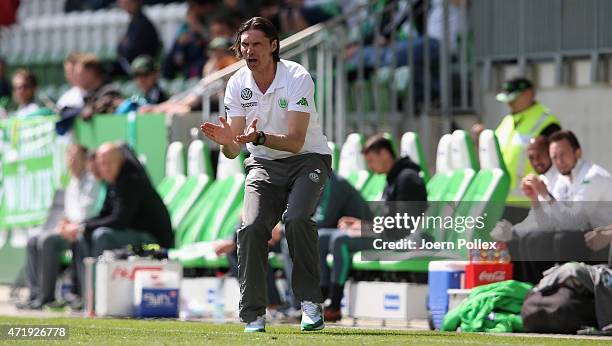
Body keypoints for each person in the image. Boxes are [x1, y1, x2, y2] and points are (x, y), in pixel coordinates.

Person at [200, 17, 332, 333]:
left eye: (256, 44)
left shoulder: (297, 76)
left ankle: (310, 304)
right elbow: (234, 149)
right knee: (250, 228)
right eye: (244, 45)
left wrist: (258, 138)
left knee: (297, 218)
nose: (249, 51)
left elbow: (296, 140)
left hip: (308, 160)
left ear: (273, 46)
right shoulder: (236, 83)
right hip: (263, 165)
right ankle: (254, 315)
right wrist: (226, 143)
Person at [321, 135, 427, 322]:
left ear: (384, 154)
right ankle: (317, 297)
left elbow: (401, 225)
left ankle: (334, 304)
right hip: (390, 235)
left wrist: (364, 227)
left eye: (371, 160)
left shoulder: (407, 179)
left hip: (405, 240)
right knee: (321, 237)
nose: (370, 166)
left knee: (340, 240)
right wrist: (362, 226)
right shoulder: (393, 178)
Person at [69, 142, 173, 295]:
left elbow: (119, 220)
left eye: (109, 163)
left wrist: (85, 227)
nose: (105, 168)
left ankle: (99, 293)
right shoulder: (114, 181)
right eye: (102, 164)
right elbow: (105, 214)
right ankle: (85, 294)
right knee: (81, 236)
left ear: (120, 161)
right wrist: (81, 227)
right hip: (133, 236)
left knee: (102, 235)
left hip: (154, 242)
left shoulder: (130, 179)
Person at [20, 144, 101, 310]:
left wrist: (70, 226)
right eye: (68, 156)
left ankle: (46, 297)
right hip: (69, 230)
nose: (70, 161)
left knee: (48, 240)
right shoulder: (72, 182)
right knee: (33, 240)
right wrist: (64, 224)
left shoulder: (92, 181)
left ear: (84, 160)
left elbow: (87, 213)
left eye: (74, 157)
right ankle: (35, 294)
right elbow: (69, 212)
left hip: (82, 231)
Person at [493, 77, 561, 206]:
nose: (509, 103)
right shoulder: (507, 121)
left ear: (529, 94)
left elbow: (557, 165)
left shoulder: (547, 122)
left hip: (531, 202)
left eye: (513, 98)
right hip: (503, 201)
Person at [117, 0, 161, 75]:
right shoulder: (135, 21)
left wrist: (125, 46)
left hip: (142, 65)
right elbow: (121, 46)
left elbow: (133, 49)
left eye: (128, 3)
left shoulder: (143, 23)